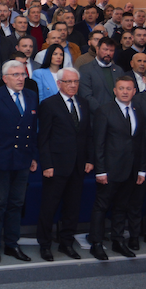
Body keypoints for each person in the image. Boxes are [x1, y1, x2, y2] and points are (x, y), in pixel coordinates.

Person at [37, 68, 93, 261]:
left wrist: (89, 159)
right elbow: (43, 138)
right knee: (49, 207)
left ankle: (66, 243)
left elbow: (87, 135)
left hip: (78, 166)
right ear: (59, 83)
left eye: (75, 81)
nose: (73, 85)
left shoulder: (84, 103)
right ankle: (45, 245)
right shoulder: (49, 104)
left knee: (72, 208)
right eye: (68, 82)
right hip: (56, 166)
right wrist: (47, 164)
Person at [88, 76, 146, 261]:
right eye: (121, 88)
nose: (125, 92)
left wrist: (141, 169)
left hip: (131, 170)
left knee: (122, 207)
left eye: (128, 88)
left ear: (134, 91)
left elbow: (141, 142)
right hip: (110, 170)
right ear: (115, 90)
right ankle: (96, 243)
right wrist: (100, 170)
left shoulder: (138, 111)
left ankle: (118, 241)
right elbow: (98, 143)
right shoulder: (104, 110)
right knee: (101, 206)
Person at [0, 60, 38, 264]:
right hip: (1, 158)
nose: (20, 78)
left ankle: (11, 244)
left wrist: (33, 155)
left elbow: (33, 128)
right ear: (5, 78)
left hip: (23, 158)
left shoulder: (31, 96)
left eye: (22, 74)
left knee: (16, 203)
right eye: (15, 75)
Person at [79, 37, 125, 112]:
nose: (108, 53)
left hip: (117, 114)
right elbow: (86, 96)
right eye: (105, 49)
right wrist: (103, 113)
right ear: (97, 49)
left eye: (111, 50)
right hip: (96, 114)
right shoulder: (85, 69)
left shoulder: (118, 70)